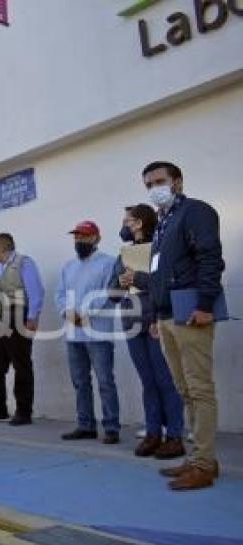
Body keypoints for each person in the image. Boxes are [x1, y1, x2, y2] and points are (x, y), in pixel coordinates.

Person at [141, 161, 225, 490]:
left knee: (200, 389)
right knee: (185, 390)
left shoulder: (195, 211)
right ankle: (198, 458)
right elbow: (161, 275)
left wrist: (205, 304)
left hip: (191, 312)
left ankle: (204, 464)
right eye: (148, 184)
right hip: (168, 316)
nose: (154, 188)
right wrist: (156, 317)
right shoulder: (164, 222)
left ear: (177, 181)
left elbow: (210, 257)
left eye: (159, 181)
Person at [109, 204, 185, 459]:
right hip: (132, 325)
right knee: (148, 381)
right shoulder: (123, 255)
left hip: (157, 322)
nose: (124, 225)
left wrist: (156, 317)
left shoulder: (160, 249)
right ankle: (153, 433)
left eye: (127, 220)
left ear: (139, 222)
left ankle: (175, 435)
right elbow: (113, 294)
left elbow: (165, 285)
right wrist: (120, 283)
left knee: (166, 380)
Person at [55, 221, 120, 444]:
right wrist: (66, 312)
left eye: (84, 236)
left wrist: (85, 313)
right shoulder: (68, 266)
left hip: (98, 332)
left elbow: (108, 292)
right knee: (80, 381)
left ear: (96, 238)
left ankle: (111, 427)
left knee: (105, 381)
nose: (79, 241)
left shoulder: (109, 263)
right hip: (73, 333)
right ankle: (86, 425)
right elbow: (60, 293)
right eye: (76, 237)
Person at [0, 233, 44, 425]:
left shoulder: (24, 263)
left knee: (21, 364)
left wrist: (32, 317)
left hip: (18, 316)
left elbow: (36, 291)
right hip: (0, 319)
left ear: (3, 247)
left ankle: (23, 412)